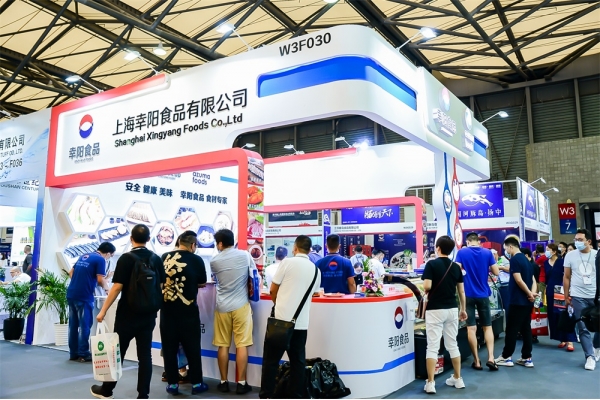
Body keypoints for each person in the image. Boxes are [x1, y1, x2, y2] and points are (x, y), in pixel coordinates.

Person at [91, 224, 165, 400]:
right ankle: (143, 394)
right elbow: (161, 286)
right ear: (148, 239)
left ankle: (107, 390)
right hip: (148, 315)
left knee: (118, 352)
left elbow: (117, 287)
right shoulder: (156, 259)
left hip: (127, 314)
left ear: (131, 239)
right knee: (145, 356)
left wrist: (103, 311)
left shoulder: (126, 259)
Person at [260, 235, 321, 399]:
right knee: (298, 362)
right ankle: (296, 395)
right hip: (301, 324)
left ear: (295, 247)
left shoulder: (286, 263)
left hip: (280, 321)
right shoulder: (316, 270)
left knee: (271, 361)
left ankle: (267, 395)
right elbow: (314, 293)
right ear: (309, 250)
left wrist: (279, 305)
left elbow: (273, 290)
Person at [161, 230, 208, 395]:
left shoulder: (164, 257)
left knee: (169, 349)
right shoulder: (196, 260)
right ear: (193, 245)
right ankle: (197, 384)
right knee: (192, 348)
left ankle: (172, 385)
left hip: (167, 312)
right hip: (188, 312)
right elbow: (202, 282)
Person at [210, 229, 255, 394]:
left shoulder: (214, 261)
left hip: (222, 307)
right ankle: (241, 383)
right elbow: (254, 276)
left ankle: (223, 382)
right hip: (241, 305)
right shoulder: (245, 255)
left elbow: (215, 279)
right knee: (241, 344)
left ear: (220, 243)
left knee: (223, 345)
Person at [422, 235, 467, 394]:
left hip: (435, 309)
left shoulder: (431, 264)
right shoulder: (455, 267)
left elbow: (427, 286)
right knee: (452, 344)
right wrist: (463, 309)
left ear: (438, 248)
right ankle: (458, 378)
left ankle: (430, 382)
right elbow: (461, 291)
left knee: (432, 346)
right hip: (452, 309)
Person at [455, 232, 500, 371]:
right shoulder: (487, 253)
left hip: (467, 294)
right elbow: (496, 272)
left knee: (471, 328)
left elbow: (455, 271)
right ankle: (491, 358)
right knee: (487, 326)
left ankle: (477, 361)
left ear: (468, 242)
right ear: (478, 241)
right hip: (483, 294)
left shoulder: (462, 252)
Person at [67, 242, 114, 362]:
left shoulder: (84, 255)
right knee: (85, 325)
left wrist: (80, 282)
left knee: (73, 325)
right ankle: (83, 353)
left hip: (72, 293)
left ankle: (73, 353)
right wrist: (108, 290)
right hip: (84, 296)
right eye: (111, 256)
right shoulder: (100, 259)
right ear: (108, 253)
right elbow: (100, 280)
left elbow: (71, 272)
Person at [495, 236, 537, 368]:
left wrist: (529, 293)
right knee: (526, 329)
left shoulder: (515, 260)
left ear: (510, 247)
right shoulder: (526, 259)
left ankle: (506, 357)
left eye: (506, 249)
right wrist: (531, 294)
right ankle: (527, 357)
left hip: (517, 300)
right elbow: (533, 280)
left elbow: (518, 280)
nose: (506, 251)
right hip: (527, 301)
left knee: (511, 329)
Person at [563, 228, 599, 371]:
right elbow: (566, 276)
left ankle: (596, 347)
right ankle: (589, 356)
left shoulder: (597, 255)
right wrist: (566, 295)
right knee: (582, 327)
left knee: (598, 326)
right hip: (578, 296)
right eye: (575, 239)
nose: (577, 242)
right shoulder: (570, 255)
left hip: (595, 296)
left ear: (588, 241)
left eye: (580, 240)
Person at [544, 243, 576, 351]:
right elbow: (545, 278)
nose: (546, 251)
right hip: (550, 291)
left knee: (563, 315)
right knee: (553, 316)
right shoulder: (545, 263)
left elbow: (568, 276)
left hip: (561, 291)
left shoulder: (562, 262)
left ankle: (570, 340)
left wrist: (568, 290)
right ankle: (561, 339)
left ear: (554, 251)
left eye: (548, 249)